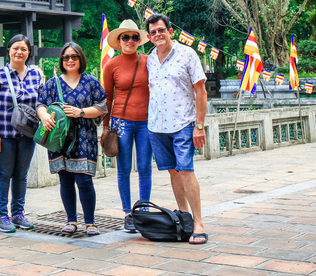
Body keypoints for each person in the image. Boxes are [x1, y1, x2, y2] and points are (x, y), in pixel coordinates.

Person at [145, 13, 208, 245]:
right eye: (153, 32)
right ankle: (184, 217)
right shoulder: (151, 58)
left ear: (170, 31)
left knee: (186, 170)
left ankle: (199, 221)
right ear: (150, 37)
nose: (158, 35)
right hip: (157, 125)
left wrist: (199, 126)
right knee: (172, 170)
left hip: (183, 123)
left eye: (161, 30)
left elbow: (201, 91)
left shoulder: (187, 54)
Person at [37, 43, 107, 236]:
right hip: (60, 139)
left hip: (85, 138)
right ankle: (71, 220)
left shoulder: (91, 82)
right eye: (66, 57)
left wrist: (81, 112)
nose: (70, 60)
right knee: (65, 180)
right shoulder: (53, 83)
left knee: (84, 180)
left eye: (74, 57)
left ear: (80, 59)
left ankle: (90, 222)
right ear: (61, 60)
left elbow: (102, 106)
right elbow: (41, 104)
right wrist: (44, 116)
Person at [0, 34, 44, 233]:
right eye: (16, 48)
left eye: (24, 49)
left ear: (29, 53)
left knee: (21, 175)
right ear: (9, 51)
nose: (19, 52)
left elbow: (41, 102)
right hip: (5, 134)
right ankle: (2, 215)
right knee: (3, 174)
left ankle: (18, 213)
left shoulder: (36, 75)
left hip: (28, 135)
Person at [102, 20, 152, 233]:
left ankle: (144, 210)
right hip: (120, 122)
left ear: (140, 41)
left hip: (146, 122)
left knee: (144, 167)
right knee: (123, 168)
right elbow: (108, 97)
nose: (130, 41)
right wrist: (105, 126)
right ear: (119, 41)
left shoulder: (149, 61)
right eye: (126, 37)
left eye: (134, 37)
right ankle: (127, 213)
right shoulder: (111, 65)